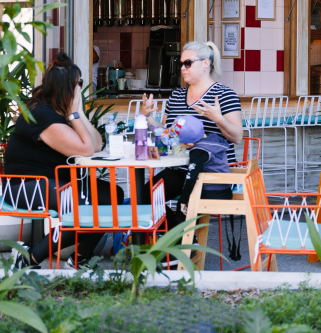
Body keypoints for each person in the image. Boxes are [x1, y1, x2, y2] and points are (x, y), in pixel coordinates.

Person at [5, 52, 121, 268]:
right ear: (67, 87)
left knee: (112, 195)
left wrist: (78, 112)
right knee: (88, 207)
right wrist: (73, 115)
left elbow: (96, 144)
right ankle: (29, 258)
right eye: (79, 84)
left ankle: (79, 258)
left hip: (53, 183)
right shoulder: (41, 114)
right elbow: (87, 150)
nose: (81, 89)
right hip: (26, 186)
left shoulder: (58, 113)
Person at [140, 41, 242, 225]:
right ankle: (178, 238)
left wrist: (218, 118)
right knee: (145, 196)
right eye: (181, 64)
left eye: (188, 63)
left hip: (211, 170)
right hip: (181, 168)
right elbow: (167, 133)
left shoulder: (224, 94)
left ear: (206, 64)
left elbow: (237, 137)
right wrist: (147, 118)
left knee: (170, 198)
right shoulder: (176, 96)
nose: (183, 68)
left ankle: (180, 240)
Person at [165, 114, 231, 229]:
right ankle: (186, 237)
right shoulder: (211, 140)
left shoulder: (199, 152)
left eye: (178, 142)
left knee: (182, 207)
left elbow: (191, 177)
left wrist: (183, 200)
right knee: (185, 197)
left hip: (211, 193)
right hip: (222, 189)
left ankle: (182, 239)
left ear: (190, 144)